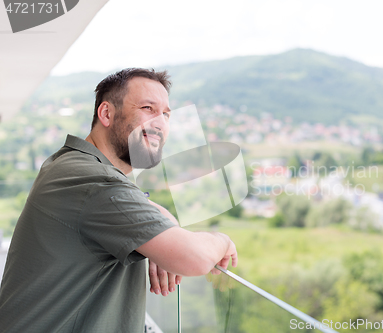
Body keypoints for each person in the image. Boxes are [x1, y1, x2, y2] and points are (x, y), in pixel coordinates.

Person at [0, 68, 238, 332]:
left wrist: (161, 234)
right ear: (106, 114)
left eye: (166, 114)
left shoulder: (72, 163)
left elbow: (136, 204)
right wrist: (222, 240)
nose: (160, 122)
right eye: (148, 108)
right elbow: (194, 258)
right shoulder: (95, 181)